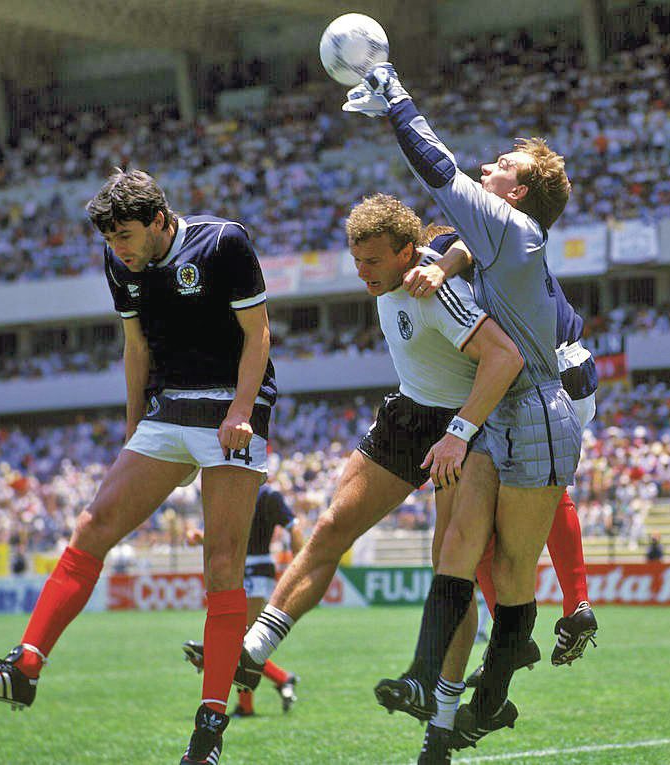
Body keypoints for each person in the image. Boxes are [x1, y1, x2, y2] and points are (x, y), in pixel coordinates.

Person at [0, 169, 275, 765]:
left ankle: (210, 726)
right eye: (108, 239)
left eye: (125, 235)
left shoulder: (224, 241)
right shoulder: (119, 263)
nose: (117, 249)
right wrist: (133, 430)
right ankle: (25, 664)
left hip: (230, 412)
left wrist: (242, 411)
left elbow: (258, 336)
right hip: (166, 412)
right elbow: (137, 348)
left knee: (222, 567)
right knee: (91, 528)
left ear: (159, 221)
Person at [218, 195, 524, 759]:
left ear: (406, 253)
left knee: (449, 571)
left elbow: (505, 358)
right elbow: (456, 237)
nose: (362, 273)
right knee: (333, 525)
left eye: (373, 262)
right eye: (356, 261)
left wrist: (460, 431)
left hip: (463, 428)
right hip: (409, 413)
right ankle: (254, 650)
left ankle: (443, 722)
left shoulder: (434, 292)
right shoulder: (409, 269)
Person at [346, 63, 583, 760]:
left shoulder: (511, 225)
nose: (489, 167)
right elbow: (450, 233)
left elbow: (438, 168)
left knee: (510, 569)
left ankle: (485, 701)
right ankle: (427, 686)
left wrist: (395, 95)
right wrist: (447, 260)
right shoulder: (496, 237)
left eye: (503, 166)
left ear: (521, 191)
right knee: (457, 551)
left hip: (535, 407)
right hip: (498, 409)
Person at [403, 234, 600, 672]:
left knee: (479, 524)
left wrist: (440, 266)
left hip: (538, 380)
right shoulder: (516, 235)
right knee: (548, 490)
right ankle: (574, 603)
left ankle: (510, 637)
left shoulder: (461, 235)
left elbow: (464, 244)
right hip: (573, 371)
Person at [182, 484, 302, 717]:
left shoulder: (267, 495)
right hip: (236, 566)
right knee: (239, 640)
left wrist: (300, 565)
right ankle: (281, 680)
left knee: (241, 639)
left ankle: (249, 702)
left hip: (258, 568)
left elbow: (293, 526)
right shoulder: (234, 492)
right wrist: (201, 538)